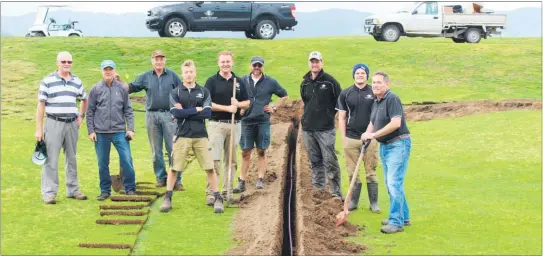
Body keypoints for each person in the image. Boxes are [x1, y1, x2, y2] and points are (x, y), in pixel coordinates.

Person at [160, 60, 224, 213]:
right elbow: (175, 113)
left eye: (191, 72)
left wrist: (185, 113)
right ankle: (167, 197)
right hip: (182, 136)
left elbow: (208, 113)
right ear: (182, 74)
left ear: (195, 73)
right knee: (174, 168)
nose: (189, 75)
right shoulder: (175, 92)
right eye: (186, 72)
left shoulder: (204, 91)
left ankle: (217, 197)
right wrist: (196, 109)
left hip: (201, 136)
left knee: (210, 167)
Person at [361, 71, 412, 234]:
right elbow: (372, 122)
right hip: (386, 146)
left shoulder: (392, 98)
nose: (375, 85)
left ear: (387, 84)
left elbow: (396, 123)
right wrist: (366, 134)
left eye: (379, 82)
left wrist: (374, 135)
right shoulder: (376, 102)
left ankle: (396, 223)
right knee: (392, 183)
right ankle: (403, 217)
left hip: (398, 144)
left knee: (393, 183)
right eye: (373, 82)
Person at [35, 51, 88, 204]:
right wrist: (39, 128)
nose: (66, 64)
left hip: (72, 124)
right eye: (63, 61)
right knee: (51, 159)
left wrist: (81, 116)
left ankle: (73, 189)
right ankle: (49, 193)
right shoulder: (48, 80)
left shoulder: (76, 81)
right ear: (57, 63)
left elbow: (84, 99)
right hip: (53, 123)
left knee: (71, 158)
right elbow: (41, 105)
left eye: (69, 62)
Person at [127, 50, 183, 190]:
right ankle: (161, 177)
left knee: (173, 148)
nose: (159, 62)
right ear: (152, 61)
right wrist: (119, 83)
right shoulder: (146, 76)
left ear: (165, 61)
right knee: (156, 150)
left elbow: (182, 90)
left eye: (161, 59)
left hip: (169, 115)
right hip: (151, 116)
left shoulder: (172, 75)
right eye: (156, 59)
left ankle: (176, 179)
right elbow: (132, 87)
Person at [234, 56, 288, 192]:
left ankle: (260, 179)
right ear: (250, 66)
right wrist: (239, 108)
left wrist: (274, 107)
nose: (257, 68)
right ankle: (242, 181)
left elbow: (284, 96)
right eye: (254, 65)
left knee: (261, 151)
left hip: (262, 121)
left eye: (259, 65)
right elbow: (234, 98)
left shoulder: (271, 82)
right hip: (246, 122)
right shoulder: (242, 81)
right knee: (245, 152)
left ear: (262, 66)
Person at [204, 51, 250, 206]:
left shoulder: (239, 81)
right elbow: (207, 104)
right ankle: (212, 193)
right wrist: (227, 108)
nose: (225, 64)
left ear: (232, 62)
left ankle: (227, 192)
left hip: (235, 125)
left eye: (228, 61)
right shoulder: (211, 81)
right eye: (223, 62)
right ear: (218, 63)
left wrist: (237, 105)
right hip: (216, 125)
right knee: (214, 160)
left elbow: (247, 102)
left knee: (231, 161)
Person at [87, 60, 137, 200]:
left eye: (110, 69)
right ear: (101, 71)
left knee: (127, 160)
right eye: (105, 69)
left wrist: (130, 129)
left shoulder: (122, 88)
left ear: (114, 71)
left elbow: (128, 110)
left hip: (119, 131)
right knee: (102, 163)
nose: (108, 72)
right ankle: (105, 191)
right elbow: (90, 111)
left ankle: (130, 188)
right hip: (101, 133)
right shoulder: (96, 89)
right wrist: (91, 131)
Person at [336, 63, 381, 213]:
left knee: (371, 172)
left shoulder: (373, 92)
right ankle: (353, 201)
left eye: (363, 73)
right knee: (352, 172)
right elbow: (341, 117)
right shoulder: (346, 93)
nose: (360, 75)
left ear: (367, 75)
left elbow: (377, 116)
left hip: (371, 139)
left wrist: (371, 134)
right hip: (351, 138)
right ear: (354, 75)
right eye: (357, 73)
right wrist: (343, 137)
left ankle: (374, 203)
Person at [300, 51, 342, 199]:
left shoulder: (330, 81)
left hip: (325, 130)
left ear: (321, 63)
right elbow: (306, 101)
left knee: (330, 160)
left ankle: (335, 192)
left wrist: (330, 115)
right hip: (308, 129)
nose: (314, 64)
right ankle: (318, 190)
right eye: (312, 61)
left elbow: (340, 101)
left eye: (317, 61)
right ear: (309, 63)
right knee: (315, 161)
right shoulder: (304, 82)